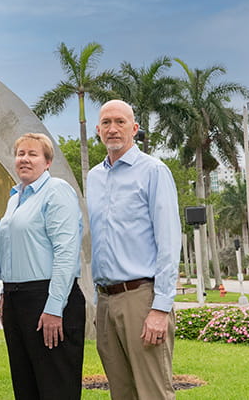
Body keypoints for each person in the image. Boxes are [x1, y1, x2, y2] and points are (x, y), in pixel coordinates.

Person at [87, 100, 180, 400]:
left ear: (134, 128)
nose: (112, 129)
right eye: (106, 123)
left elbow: (168, 242)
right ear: (98, 130)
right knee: (121, 393)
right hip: (105, 301)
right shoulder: (94, 177)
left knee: (152, 392)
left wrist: (160, 308)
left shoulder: (153, 171)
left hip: (142, 299)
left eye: (120, 122)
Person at [0, 132, 85, 400]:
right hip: (16, 300)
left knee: (56, 389)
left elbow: (66, 251)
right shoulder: (15, 198)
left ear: (47, 162)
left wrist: (54, 307)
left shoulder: (56, 191)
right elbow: (15, 250)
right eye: (20, 154)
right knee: (26, 388)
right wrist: (4, 294)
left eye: (32, 154)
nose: (24, 159)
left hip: (48, 301)